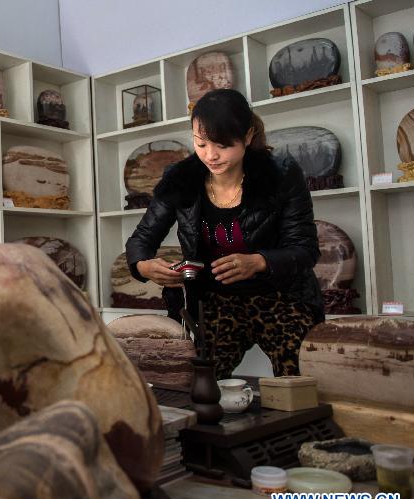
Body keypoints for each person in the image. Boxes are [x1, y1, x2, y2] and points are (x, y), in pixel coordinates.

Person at [125, 89, 324, 380]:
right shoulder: (181, 178)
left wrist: (258, 262)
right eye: (201, 144)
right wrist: (144, 266)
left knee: (298, 386)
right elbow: (142, 239)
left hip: (281, 297)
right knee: (202, 385)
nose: (210, 155)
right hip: (215, 301)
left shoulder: (280, 175)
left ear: (247, 136)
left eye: (222, 145)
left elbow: (306, 249)